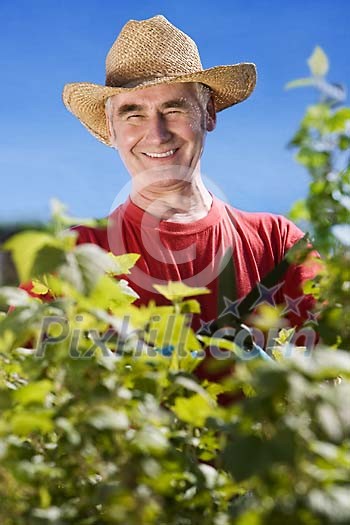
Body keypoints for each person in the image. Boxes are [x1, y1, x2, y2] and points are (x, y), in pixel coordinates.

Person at [62, 15, 318, 344]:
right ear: (112, 130)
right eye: (134, 115)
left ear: (208, 114)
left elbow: (335, 362)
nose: (157, 134)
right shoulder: (75, 255)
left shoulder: (277, 244)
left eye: (174, 110)